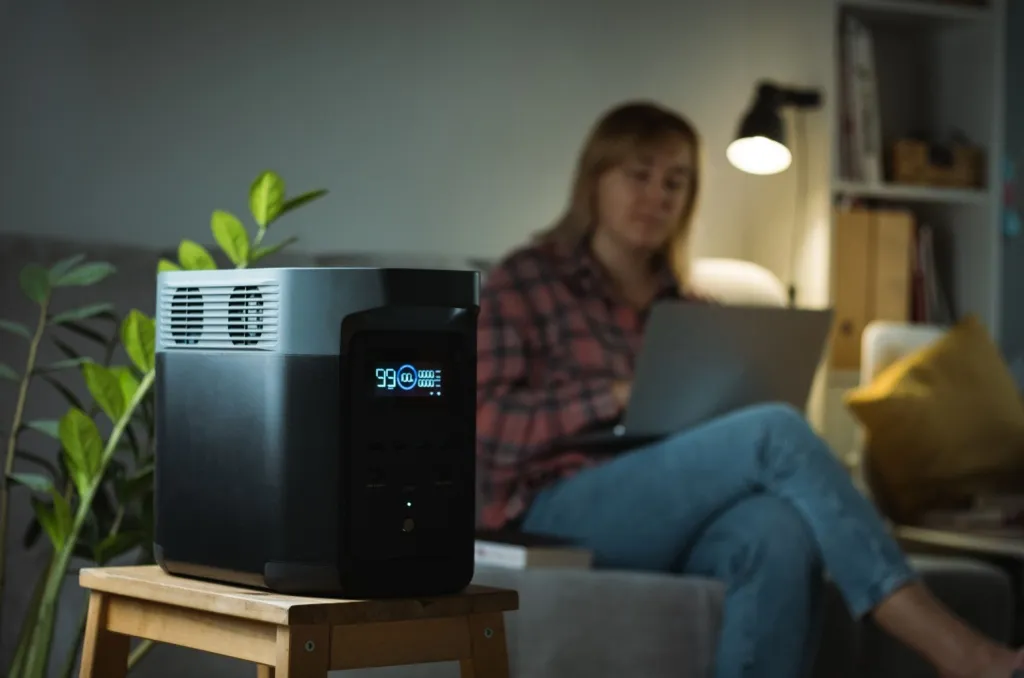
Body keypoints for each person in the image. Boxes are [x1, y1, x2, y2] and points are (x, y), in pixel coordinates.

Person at [475, 100, 1023, 678]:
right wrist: (611, 397)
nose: (657, 196)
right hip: (559, 506)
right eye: (639, 175)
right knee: (775, 430)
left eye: (675, 182)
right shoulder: (526, 280)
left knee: (776, 529)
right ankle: (960, 653)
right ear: (595, 180)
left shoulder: (694, 312)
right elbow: (483, 420)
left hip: (676, 504)